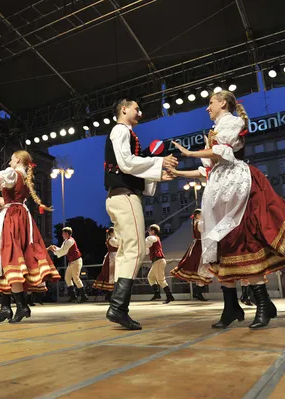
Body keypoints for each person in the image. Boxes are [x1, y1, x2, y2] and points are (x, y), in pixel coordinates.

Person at [171, 90, 285, 329]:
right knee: (222, 243)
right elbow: (207, 168)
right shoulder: (213, 132)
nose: (207, 108)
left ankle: (263, 303)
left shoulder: (234, 122)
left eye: (210, 103)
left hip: (238, 185)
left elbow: (222, 152)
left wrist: (190, 152)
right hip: (219, 187)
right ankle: (231, 307)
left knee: (243, 238)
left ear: (223, 103)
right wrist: (177, 173)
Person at [104, 98, 178, 330]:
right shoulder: (120, 130)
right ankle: (118, 307)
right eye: (136, 108)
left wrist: (156, 174)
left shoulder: (123, 133)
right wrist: (158, 162)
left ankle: (118, 308)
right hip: (125, 197)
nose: (140, 112)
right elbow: (126, 163)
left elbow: (127, 165)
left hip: (119, 195)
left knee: (127, 251)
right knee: (134, 250)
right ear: (123, 108)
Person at [0, 150, 61, 323]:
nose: (9, 161)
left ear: (18, 159)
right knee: (7, 259)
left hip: (11, 218)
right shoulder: (25, 177)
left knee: (9, 256)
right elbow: (11, 199)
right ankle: (5, 307)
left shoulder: (11, 173)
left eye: (11, 159)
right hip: (21, 217)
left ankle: (21, 306)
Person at [170, 209, 210, 301]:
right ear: (197, 215)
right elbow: (205, 231)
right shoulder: (199, 223)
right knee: (201, 267)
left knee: (199, 267)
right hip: (200, 246)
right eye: (201, 214)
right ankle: (198, 293)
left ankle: (198, 293)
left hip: (198, 245)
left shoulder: (197, 222)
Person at [48, 227, 88, 303]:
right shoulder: (66, 241)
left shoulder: (70, 241)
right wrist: (55, 248)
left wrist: (53, 249)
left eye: (63, 233)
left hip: (76, 261)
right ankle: (73, 296)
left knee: (76, 278)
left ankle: (84, 296)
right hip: (72, 262)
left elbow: (63, 251)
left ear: (67, 233)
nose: (62, 234)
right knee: (67, 278)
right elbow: (62, 250)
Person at [146, 224, 174, 304]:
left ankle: (170, 296)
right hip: (157, 261)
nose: (148, 232)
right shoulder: (152, 239)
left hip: (158, 260)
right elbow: (147, 251)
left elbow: (147, 242)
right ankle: (157, 294)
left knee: (161, 279)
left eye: (149, 230)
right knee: (150, 277)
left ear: (153, 231)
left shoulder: (153, 238)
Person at [93, 227, 119, 302]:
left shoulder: (111, 239)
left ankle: (110, 294)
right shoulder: (112, 239)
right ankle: (110, 294)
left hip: (113, 256)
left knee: (112, 274)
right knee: (111, 274)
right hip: (112, 257)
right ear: (111, 233)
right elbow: (119, 244)